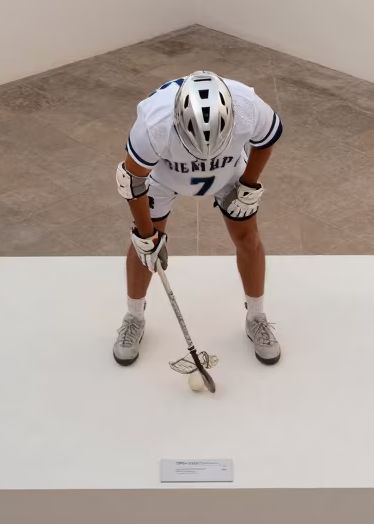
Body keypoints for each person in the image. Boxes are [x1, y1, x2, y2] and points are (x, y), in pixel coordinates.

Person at [113, 70, 283, 367]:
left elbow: (267, 140)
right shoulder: (155, 122)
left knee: (248, 238)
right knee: (144, 249)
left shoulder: (247, 104)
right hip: (164, 178)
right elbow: (132, 180)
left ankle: (256, 317)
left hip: (228, 172)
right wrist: (146, 235)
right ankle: (134, 317)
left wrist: (248, 184)